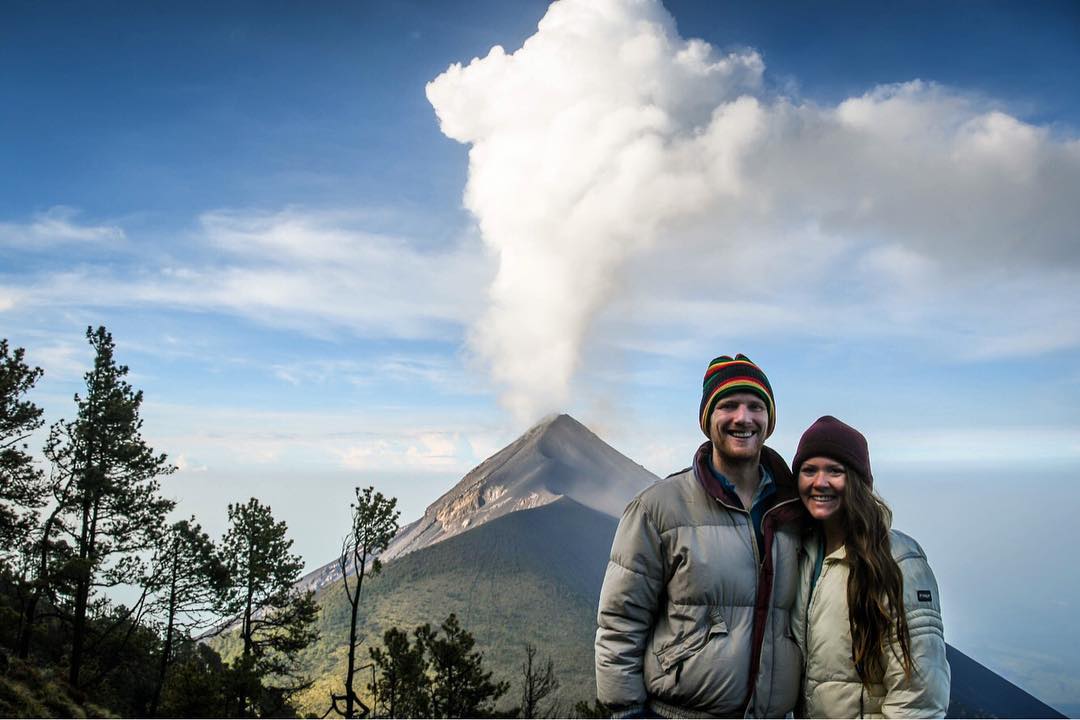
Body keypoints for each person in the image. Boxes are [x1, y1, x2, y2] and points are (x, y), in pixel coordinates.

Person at [595, 354, 805, 718]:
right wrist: (628, 713)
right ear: (707, 419)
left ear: (769, 421)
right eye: (728, 405)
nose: (743, 418)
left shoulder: (792, 512)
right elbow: (620, 624)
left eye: (756, 406)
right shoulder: (657, 509)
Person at [790, 416, 951, 718]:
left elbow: (918, 698)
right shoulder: (802, 554)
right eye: (809, 470)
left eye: (834, 471)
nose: (819, 482)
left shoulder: (898, 561)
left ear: (858, 481)